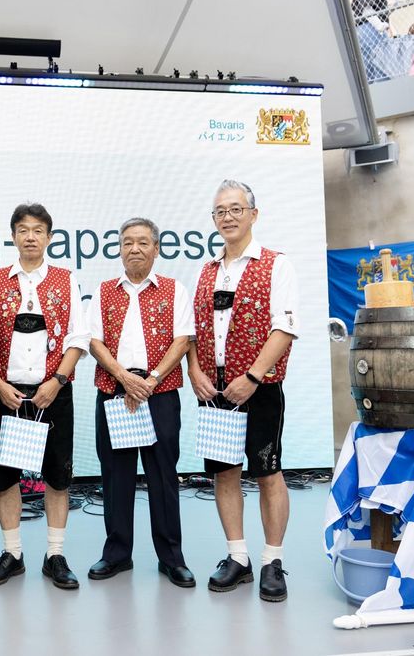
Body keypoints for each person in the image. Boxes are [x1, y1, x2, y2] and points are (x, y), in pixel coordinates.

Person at [187, 179, 298, 602]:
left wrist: (251, 377)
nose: (228, 217)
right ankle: (238, 557)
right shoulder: (208, 270)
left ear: (254, 214)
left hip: (259, 387)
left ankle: (273, 560)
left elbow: (284, 327)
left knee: (268, 472)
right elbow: (193, 331)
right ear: (214, 220)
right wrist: (195, 370)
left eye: (236, 209)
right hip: (214, 391)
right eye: (220, 211)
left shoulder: (276, 264)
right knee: (224, 473)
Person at [0, 203, 88, 590]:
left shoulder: (66, 278)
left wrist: (57, 381)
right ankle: (12, 553)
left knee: (58, 477)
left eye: (38, 230)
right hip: (7, 393)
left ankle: (55, 554)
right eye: (23, 230)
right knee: (5, 477)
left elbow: (78, 337)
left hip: (52, 391)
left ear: (49, 237)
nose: (30, 237)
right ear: (12, 236)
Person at [86, 218, 195, 588]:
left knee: (163, 477)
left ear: (156, 248)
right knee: (115, 477)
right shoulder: (103, 292)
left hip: (159, 393)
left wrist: (149, 381)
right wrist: (124, 378)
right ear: (119, 248)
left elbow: (182, 340)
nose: (135, 248)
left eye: (143, 242)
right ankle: (116, 554)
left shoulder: (174, 289)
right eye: (128, 242)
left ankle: (171, 558)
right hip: (114, 391)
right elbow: (94, 342)